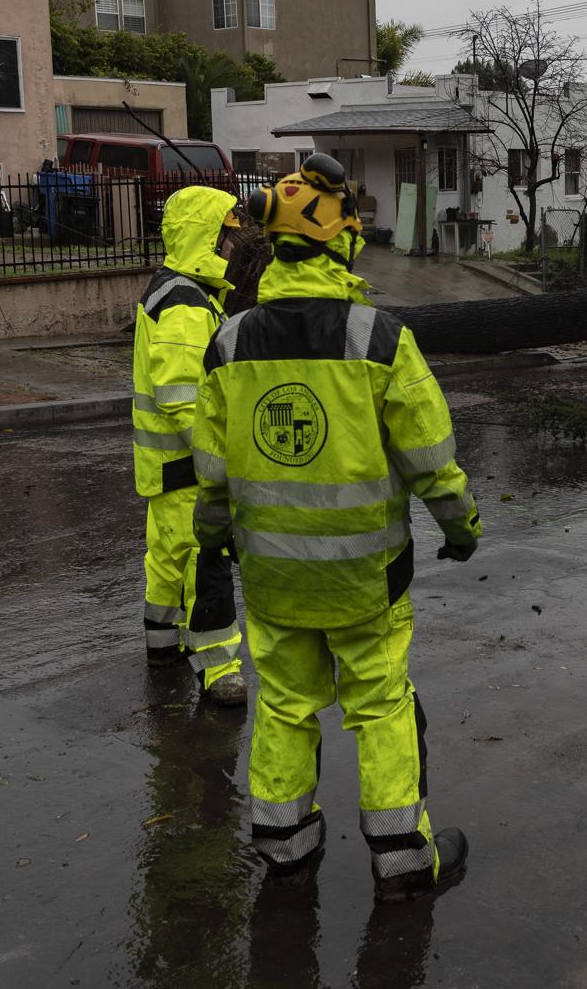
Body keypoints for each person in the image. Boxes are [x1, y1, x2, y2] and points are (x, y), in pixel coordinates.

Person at [192, 153, 481, 900]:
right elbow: (431, 456)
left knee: (285, 704)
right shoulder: (379, 338)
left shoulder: (227, 343)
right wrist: (460, 526)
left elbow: (213, 468)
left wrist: (214, 531)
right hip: (366, 581)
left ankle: (285, 844)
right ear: (341, 241)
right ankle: (402, 860)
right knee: (381, 706)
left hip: (272, 577)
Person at [132, 185, 247, 705]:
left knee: (167, 560)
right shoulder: (184, 301)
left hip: (166, 467)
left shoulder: (172, 290)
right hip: (187, 467)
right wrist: (217, 458)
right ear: (207, 235)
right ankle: (219, 667)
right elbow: (181, 396)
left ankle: (163, 646)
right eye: (226, 235)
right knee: (206, 560)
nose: (231, 247)